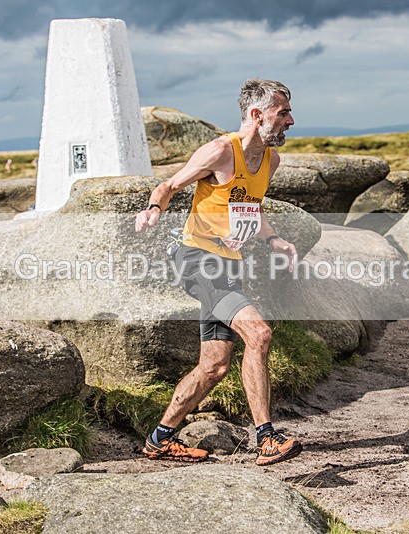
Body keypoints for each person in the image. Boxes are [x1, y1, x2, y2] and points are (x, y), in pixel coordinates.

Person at [134, 79, 301, 466]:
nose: (291, 121)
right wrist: (154, 209)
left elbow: (251, 207)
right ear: (257, 115)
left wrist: (274, 239)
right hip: (197, 259)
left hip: (228, 266)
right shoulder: (221, 151)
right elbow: (169, 185)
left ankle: (159, 440)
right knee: (259, 334)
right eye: (283, 113)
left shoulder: (271, 161)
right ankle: (266, 439)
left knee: (214, 367)